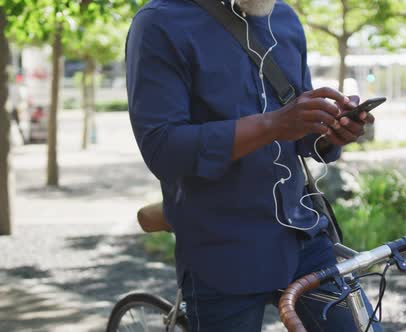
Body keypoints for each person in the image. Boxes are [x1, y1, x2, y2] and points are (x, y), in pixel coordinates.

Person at [125, 0, 380, 330]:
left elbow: (299, 133)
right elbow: (162, 148)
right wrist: (272, 124)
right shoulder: (158, 23)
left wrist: (333, 132)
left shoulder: (284, 17)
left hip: (301, 235)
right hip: (221, 249)